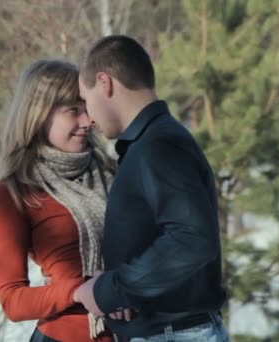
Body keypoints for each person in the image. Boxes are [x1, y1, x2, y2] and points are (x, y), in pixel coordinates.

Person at [74, 35, 229, 341]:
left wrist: (112, 289)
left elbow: (191, 240)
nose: (89, 118)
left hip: (175, 334)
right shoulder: (150, 144)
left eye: (86, 99)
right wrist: (121, 287)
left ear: (105, 83)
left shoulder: (157, 147)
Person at [0, 59, 119, 342]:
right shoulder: (14, 192)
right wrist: (79, 290)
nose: (88, 121)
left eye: (87, 107)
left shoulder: (112, 171)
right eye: (73, 110)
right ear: (39, 114)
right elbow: (13, 300)